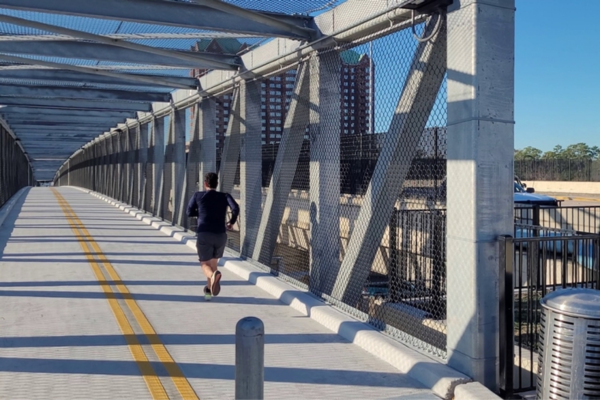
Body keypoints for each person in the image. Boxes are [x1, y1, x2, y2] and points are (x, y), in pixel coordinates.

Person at [186, 172, 239, 301]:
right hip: (220, 235)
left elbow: (188, 212)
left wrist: (200, 212)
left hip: (205, 234)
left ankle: (213, 277)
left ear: (205, 184)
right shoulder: (224, 196)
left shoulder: (198, 195)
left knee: (205, 264)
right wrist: (231, 222)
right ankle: (208, 292)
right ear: (217, 184)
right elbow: (235, 208)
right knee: (213, 264)